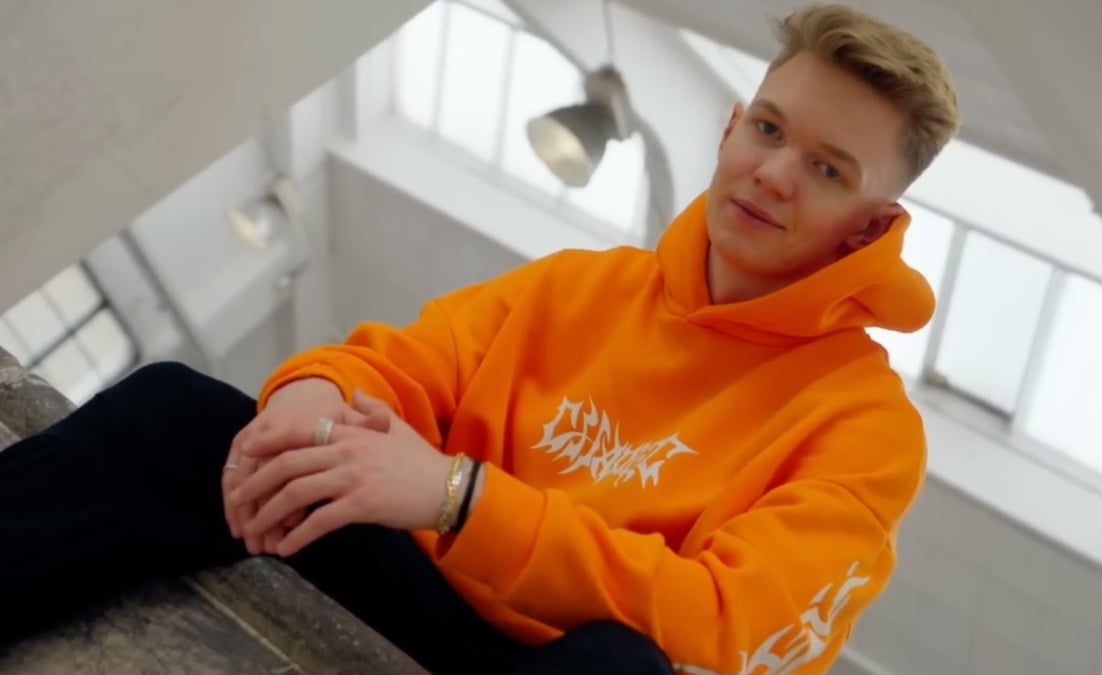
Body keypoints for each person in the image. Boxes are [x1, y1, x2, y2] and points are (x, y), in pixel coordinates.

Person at [0, 4, 959, 674]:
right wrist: (312, 404)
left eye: (828, 168)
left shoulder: (865, 424)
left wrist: (462, 496)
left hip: (561, 657)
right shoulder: (587, 287)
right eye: (767, 127)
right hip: (420, 578)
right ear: (728, 130)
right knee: (180, 412)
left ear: (869, 230)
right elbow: (396, 367)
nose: (774, 172)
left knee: (622, 669)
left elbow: (731, 621)